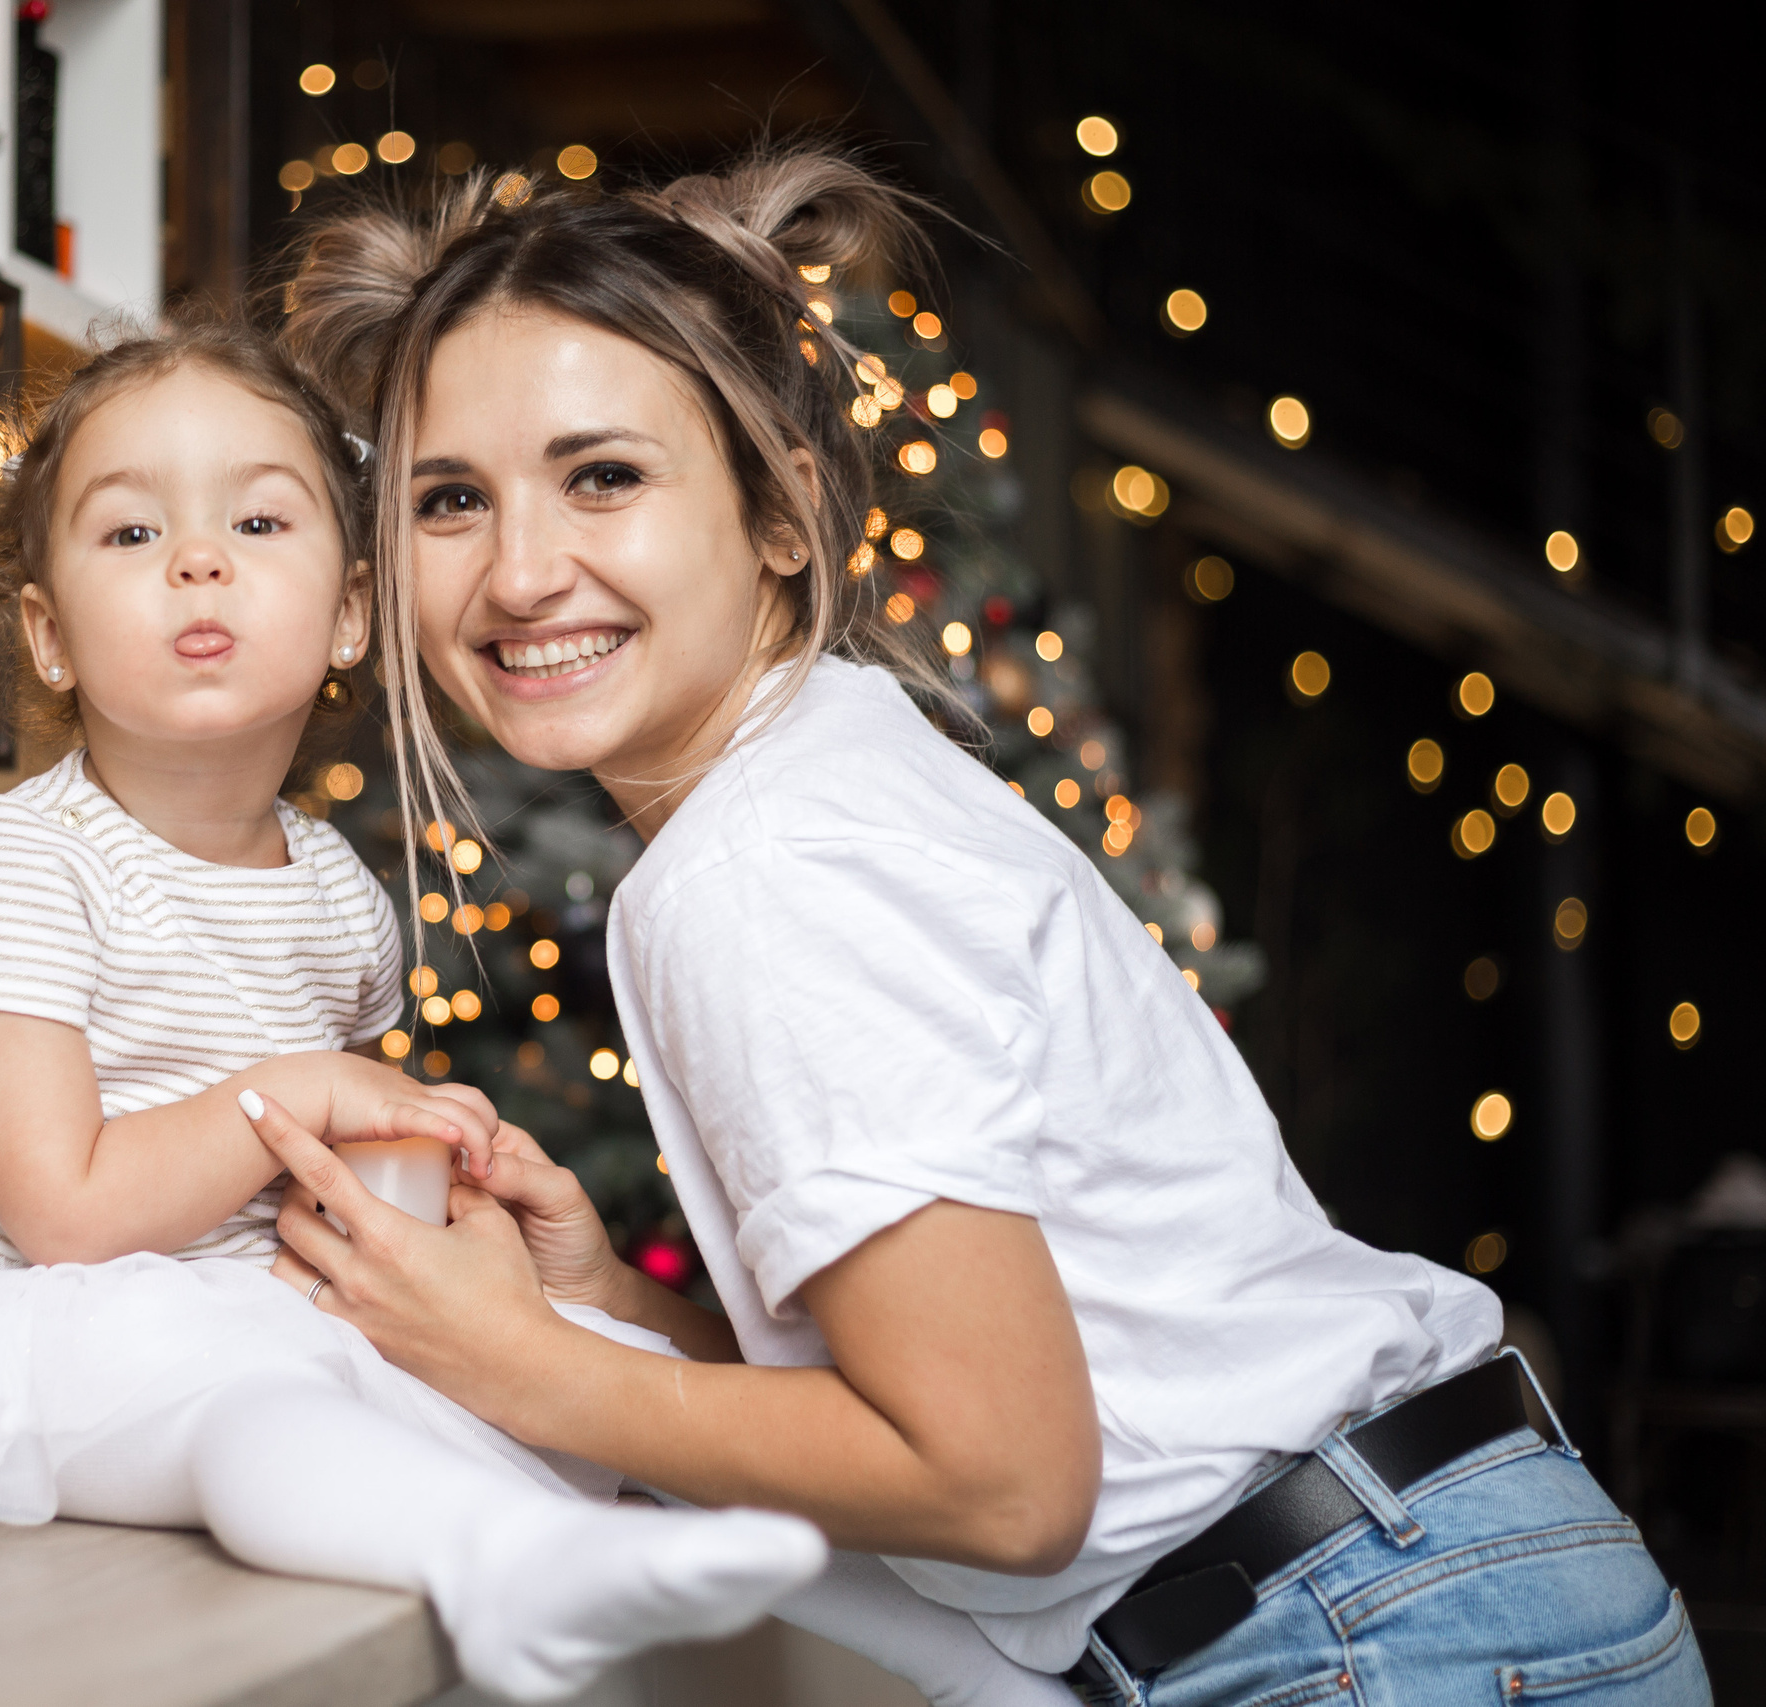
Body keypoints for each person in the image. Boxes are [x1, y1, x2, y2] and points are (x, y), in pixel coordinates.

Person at [249, 152, 1711, 1706]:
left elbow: (1006, 1484)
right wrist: (623, 1309)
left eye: (602, 475)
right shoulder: (837, 764)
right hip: (1436, 1586)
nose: (520, 570)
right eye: (450, 500)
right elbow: (958, 1396)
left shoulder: (766, 863)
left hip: (1370, 1642)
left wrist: (522, 1364)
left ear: (783, 516)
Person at [0, 324, 830, 1704]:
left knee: (517, 1357)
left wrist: (430, 1180)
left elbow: (311, 1180)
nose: (197, 560)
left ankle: (685, 1544)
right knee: (248, 1408)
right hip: (13, 1337)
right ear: (46, 634)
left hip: (235, 1305)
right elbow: (67, 1214)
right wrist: (314, 1092)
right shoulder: (18, 864)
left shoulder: (339, 899)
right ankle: (504, 1566)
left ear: (347, 614)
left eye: (259, 519)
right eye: (133, 530)